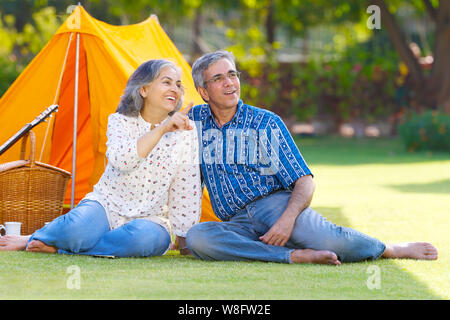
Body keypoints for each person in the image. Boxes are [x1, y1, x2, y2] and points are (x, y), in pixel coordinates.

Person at [185, 50, 438, 265]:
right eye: (218, 78)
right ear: (204, 92)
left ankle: (389, 249)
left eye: (232, 75)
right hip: (236, 223)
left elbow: (304, 180)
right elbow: (161, 121)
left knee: (333, 241)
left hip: (276, 208)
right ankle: (293, 256)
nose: (230, 83)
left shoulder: (265, 122)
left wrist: (286, 220)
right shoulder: (193, 122)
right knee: (199, 238)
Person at [0, 59, 201, 257]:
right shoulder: (120, 122)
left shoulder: (186, 132)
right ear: (143, 90)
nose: (175, 88)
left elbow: (186, 186)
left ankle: (61, 247)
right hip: (107, 205)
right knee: (75, 229)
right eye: (166, 82)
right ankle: (34, 238)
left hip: (151, 219)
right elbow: (123, 160)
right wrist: (163, 129)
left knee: (145, 241)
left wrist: (184, 239)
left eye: (178, 84)